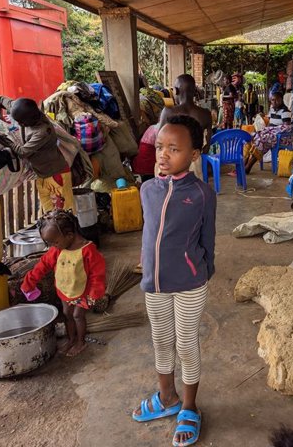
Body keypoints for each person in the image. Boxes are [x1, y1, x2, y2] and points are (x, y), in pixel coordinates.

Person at [132, 115, 216, 447]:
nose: (163, 155)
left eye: (174, 149)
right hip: (154, 283)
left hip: (190, 284)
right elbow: (148, 232)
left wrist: (204, 270)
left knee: (185, 343)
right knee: (161, 341)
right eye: (160, 147)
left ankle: (190, 405)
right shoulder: (147, 189)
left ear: (194, 154)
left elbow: (207, 238)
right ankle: (167, 396)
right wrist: (146, 262)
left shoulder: (202, 194)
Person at [21, 210, 106, 357]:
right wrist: (29, 283)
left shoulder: (88, 250)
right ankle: (71, 339)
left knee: (78, 316)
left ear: (69, 235)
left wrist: (94, 294)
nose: (52, 246)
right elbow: (42, 266)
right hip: (64, 290)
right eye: (49, 243)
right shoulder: (57, 250)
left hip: (83, 292)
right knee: (67, 314)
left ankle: (81, 341)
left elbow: (97, 274)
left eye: (54, 242)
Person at [0, 96, 72, 212]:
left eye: (22, 122)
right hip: (42, 175)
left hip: (56, 176)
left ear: (33, 119)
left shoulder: (42, 131)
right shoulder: (22, 109)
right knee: (49, 216)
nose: (20, 124)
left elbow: (22, 152)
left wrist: (5, 139)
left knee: (64, 216)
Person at [159, 74, 213, 181]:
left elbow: (159, 141)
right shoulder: (205, 114)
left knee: (172, 194)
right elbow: (206, 147)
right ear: (194, 91)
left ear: (176, 91)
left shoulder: (168, 112)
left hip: (171, 162)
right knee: (193, 195)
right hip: (194, 162)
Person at [244, 92, 293, 173]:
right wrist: (266, 130)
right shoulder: (272, 110)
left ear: (281, 100)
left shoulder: (285, 111)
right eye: (272, 100)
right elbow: (269, 124)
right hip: (272, 134)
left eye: (277, 100)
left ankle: (248, 166)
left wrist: (270, 131)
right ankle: (245, 162)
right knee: (251, 137)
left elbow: (286, 128)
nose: (274, 102)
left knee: (261, 140)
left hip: (281, 137)